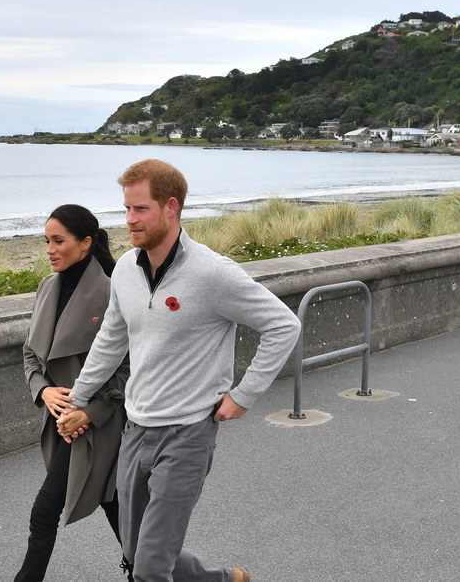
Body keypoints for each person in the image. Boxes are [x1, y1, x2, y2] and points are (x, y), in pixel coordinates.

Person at [58, 160, 302, 582]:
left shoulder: (212, 272)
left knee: (150, 569)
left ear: (171, 208)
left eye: (140, 209)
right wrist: (77, 397)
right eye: (127, 209)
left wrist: (243, 396)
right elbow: (111, 341)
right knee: (137, 553)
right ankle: (223, 579)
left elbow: (283, 325)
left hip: (188, 433)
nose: (129, 220)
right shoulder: (124, 272)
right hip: (135, 430)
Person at [15, 204, 130, 582]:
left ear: (84, 243)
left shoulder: (113, 292)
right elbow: (31, 352)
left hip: (102, 424)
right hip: (61, 420)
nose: (49, 249)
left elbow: (131, 368)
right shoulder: (47, 286)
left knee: (44, 511)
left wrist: (90, 412)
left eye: (58, 240)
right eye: (46, 240)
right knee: (118, 510)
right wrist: (44, 391)